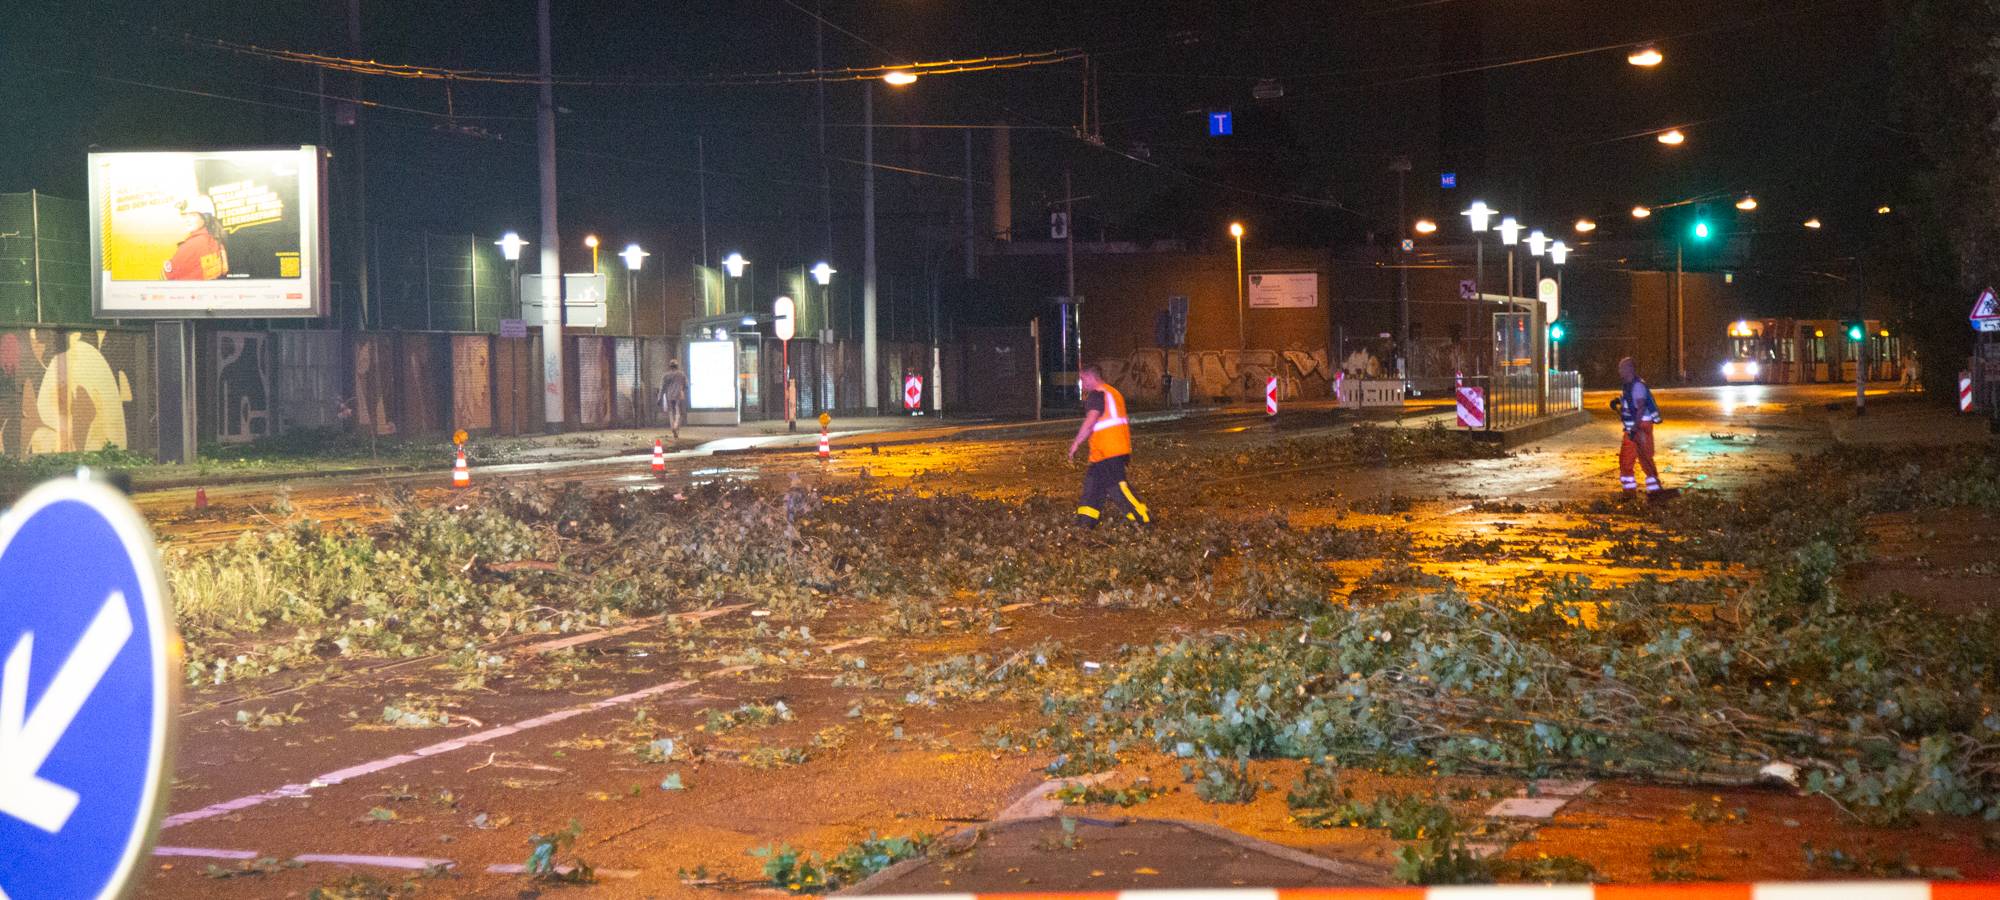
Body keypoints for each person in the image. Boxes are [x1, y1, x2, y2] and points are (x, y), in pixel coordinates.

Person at [1067, 364, 1153, 527]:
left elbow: (1091, 421)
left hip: (1108, 451)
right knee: (1092, 487)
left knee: (1119, 489)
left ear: (1092, 377)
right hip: (1109, 451)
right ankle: (1085, 522)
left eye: (1083, 379)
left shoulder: (1096, 394)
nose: (1082, 383)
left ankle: (1143, 518)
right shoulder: (1113, 392)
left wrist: (1076, 443)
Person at [1609, 356, 1666, 498]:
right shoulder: (1628, 385)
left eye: (1622, 368)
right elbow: (1631, 403)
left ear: (1630, 369)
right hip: (1633, 429)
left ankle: (1654, 491)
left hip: (1640, 427)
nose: (1619, 371)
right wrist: (1618, 402)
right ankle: (1632, 492)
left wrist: (1635, 428)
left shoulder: (1637, 386)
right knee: (1627, 459)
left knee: (1643, 458)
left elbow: (1640, 407)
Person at [164, 195, 229, 280]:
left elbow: (165, 278)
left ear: (206, 218)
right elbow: (224, 270)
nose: (187, 220)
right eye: (184, 215)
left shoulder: (190, 246)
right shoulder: (216, 239)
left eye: (193, 215)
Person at [659, 358, 688, 440]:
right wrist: (682, 389)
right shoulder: (682, 374)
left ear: (670, 366)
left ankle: (672, 427)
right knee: (678, 412)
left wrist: (659, 397)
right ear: (677, 366)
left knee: (671, 412)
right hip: (679, 395)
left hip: (669, 395)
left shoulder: (666, 375)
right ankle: (676, 426)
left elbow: (662, 387)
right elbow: (686, 385)